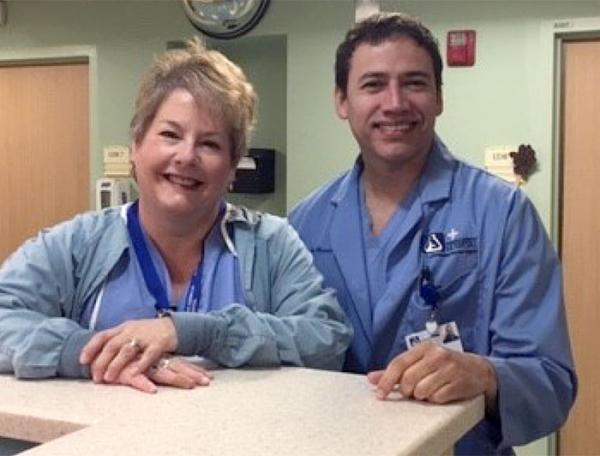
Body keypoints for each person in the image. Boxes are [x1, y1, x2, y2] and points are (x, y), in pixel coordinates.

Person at [289, 12, 576, 454]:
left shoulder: (501, 213)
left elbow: (551, 380)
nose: (395, 102)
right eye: (373, 84)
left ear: (440, 97)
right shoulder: (304, 224)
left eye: (415, 83)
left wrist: (485, 375)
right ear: (342, 100)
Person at [0, 38, 352, 394]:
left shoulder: (270, 243)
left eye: (210, 144)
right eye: (170, 135)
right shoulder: (78, 244)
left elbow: (326, 339)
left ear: (232, 167)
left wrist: (194, 332)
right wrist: (91, 353)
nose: (186, 157)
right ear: (136, 144)